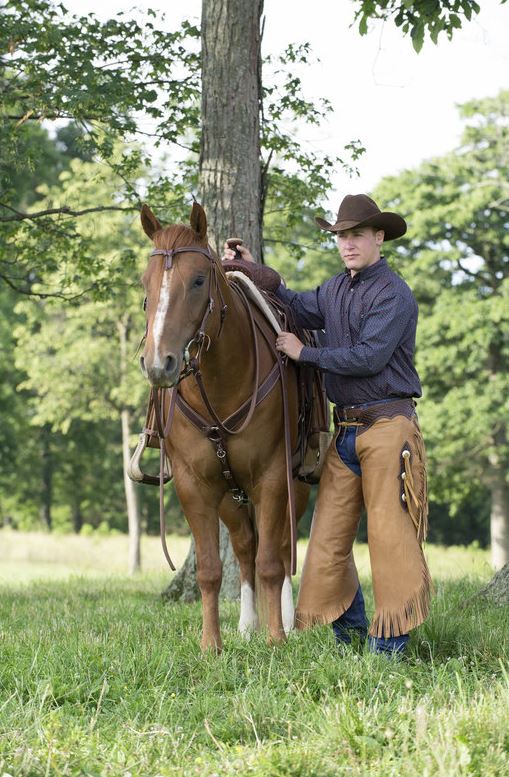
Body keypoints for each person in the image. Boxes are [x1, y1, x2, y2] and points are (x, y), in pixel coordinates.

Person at [222, 193, 431, 655]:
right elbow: (294, 303)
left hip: (388, 425)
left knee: (389, 540)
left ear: (379, 237)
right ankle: (351, 636)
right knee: (327, 543)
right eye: (341, 236)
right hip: (346, 432)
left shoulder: (394, 293)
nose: (348, 244)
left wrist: (305, 353)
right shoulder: (335, 290)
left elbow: (370, 358)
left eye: (357, 234)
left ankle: (388, 651)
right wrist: (253, 270)